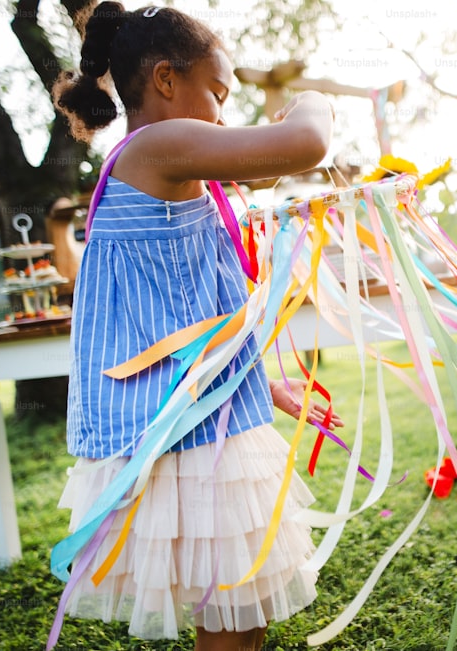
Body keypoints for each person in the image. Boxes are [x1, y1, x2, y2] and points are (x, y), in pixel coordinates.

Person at [50, 3, 340, 650]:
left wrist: (261, 383)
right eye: (218, 93)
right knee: (235, 605)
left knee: (241, 603)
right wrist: (314, 100)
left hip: (200, 411)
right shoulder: (157, 148)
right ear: (164, 81)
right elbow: (304, 146)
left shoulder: (165, 165)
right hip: (185, 432)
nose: (223, 113)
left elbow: (197, 311)